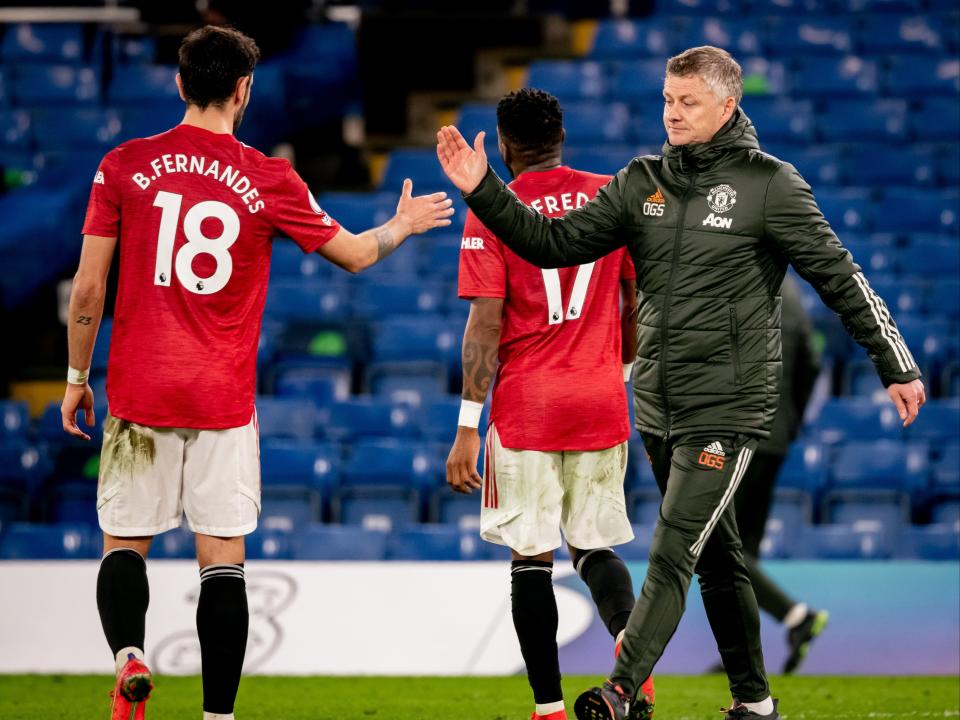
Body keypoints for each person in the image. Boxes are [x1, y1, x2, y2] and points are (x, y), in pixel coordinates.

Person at [437, 45, 925, 720]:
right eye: (667, 99)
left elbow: (841, 277)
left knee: (672, 548)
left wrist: (894, 363)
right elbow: (552, 244)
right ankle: (754, 702)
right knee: (717, 558)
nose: (672, 112)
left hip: (730, 404)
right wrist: (483, 189)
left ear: (727, 106)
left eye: (688, 101)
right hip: (658, 407)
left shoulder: (770, 184)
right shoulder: (641, 182)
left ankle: (619, 690)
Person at [61, 25, 453, 720]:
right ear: (244, 90)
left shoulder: (123, 164)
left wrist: (74, 378)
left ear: (181, 84)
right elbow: (357, 256)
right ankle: (218, 715)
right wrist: (401, 224)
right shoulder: (270, 177)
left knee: (124, 543)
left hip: (139, 387)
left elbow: (88, 291)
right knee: (223, 562)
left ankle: (129, 655)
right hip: (220, 397)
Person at [445, 88, 654, 720]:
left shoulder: (493, 206)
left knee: (531, 561)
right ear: (561, 136)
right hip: (599, 403)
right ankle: (628, 656)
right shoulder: (610, 195)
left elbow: (485, 325)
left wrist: (464, 426)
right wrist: (616, 371)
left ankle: (548, 709)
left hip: (528, 408)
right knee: (595, 547)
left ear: (505, 146)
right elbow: (634, 303)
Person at [712, 274, 829, 676]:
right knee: (747, 550)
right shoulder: (794, 294)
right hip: (775, 437)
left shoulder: (735, 281)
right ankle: (745, 664)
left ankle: (796, 616)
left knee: (719, 543)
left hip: (739, 432)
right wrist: (791, 422)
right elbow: (811, 365)